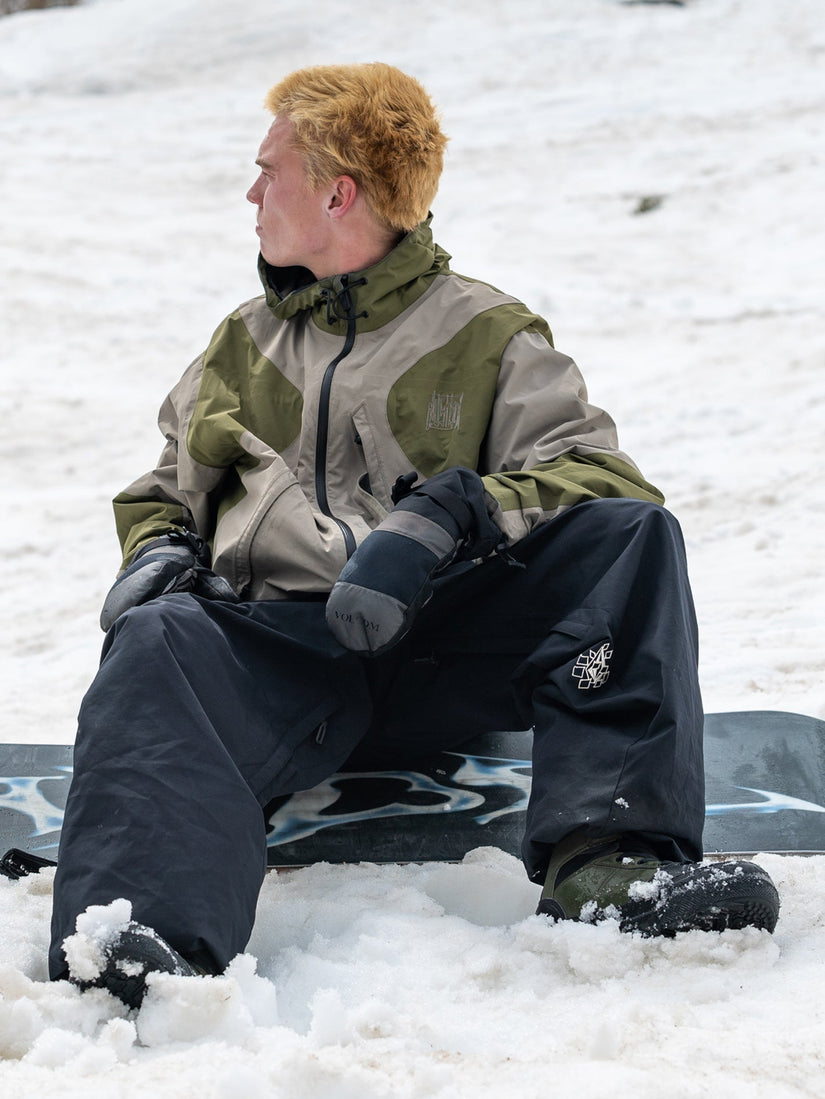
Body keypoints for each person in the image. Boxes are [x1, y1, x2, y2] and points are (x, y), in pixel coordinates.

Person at [49, 62, 779, 1008]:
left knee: (629, 538)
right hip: (281, 663)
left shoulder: (486, 333)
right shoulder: (238, 347)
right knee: (160, 633)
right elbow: (164, 492)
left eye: (268, 171)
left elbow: (597, 476)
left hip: (442, 640)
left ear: (337, 193)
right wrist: (155, 549)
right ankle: (133, 937)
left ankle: (612, 860)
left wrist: (447, 516)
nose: (251, 194)